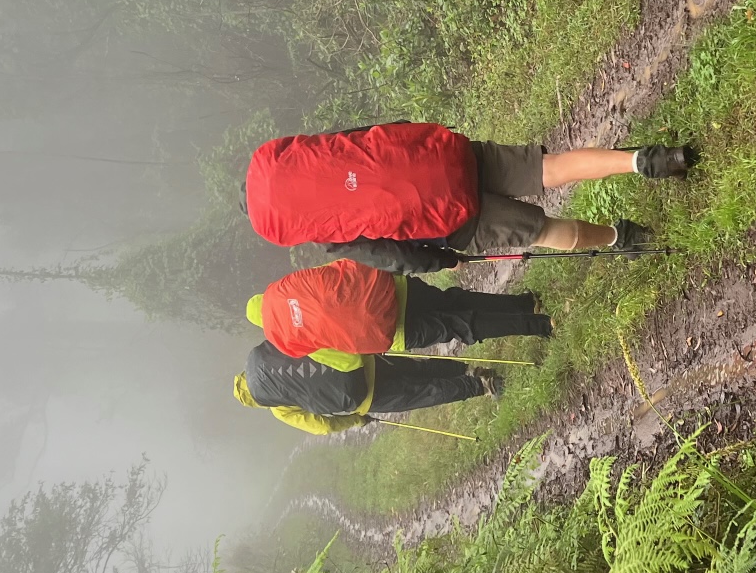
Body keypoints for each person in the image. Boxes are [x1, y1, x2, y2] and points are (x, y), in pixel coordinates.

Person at [243, 121, 693, 271]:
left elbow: (392, 256)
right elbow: (376, 134)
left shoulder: (326, 233)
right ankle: (651, 160)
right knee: (547, 169)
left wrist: (441, 260)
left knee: (544, 230)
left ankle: (623, 237)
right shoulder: (314, 153)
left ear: (289, 228)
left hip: (449, 218)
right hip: (444, 158)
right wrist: (430, 141)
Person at [235, 257, 549, 434]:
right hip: (386, 291)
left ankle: (486, 377)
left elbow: (321, 422)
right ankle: (524, 303)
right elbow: (335, 270)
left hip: (376, 360)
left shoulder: (280, 385)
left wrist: (356, 418)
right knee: (452, 302)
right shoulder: (286, 291)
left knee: (431, 374)